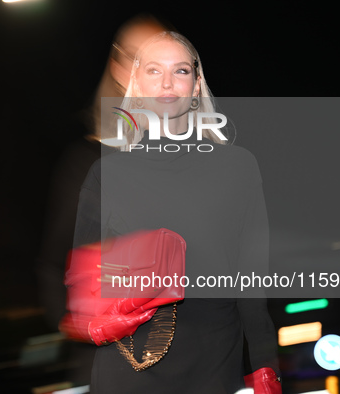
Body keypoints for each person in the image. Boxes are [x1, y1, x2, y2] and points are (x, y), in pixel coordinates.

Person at [71, 31, 280, 393]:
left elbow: (252, 279)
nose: (167, 82)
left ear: (197, 85)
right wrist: (93, 324)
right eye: (153, 70)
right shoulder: (105, 173)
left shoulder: (238, 167)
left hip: (213, 364)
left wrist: (265, 364)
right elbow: (84, 277)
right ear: (136, 84)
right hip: (129, 366)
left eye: (180, 70)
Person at [35, 15, 169, 387]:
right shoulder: (84, 164)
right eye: (139, 60)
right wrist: (78, 320)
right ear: (118, 67)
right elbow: (52, 264)